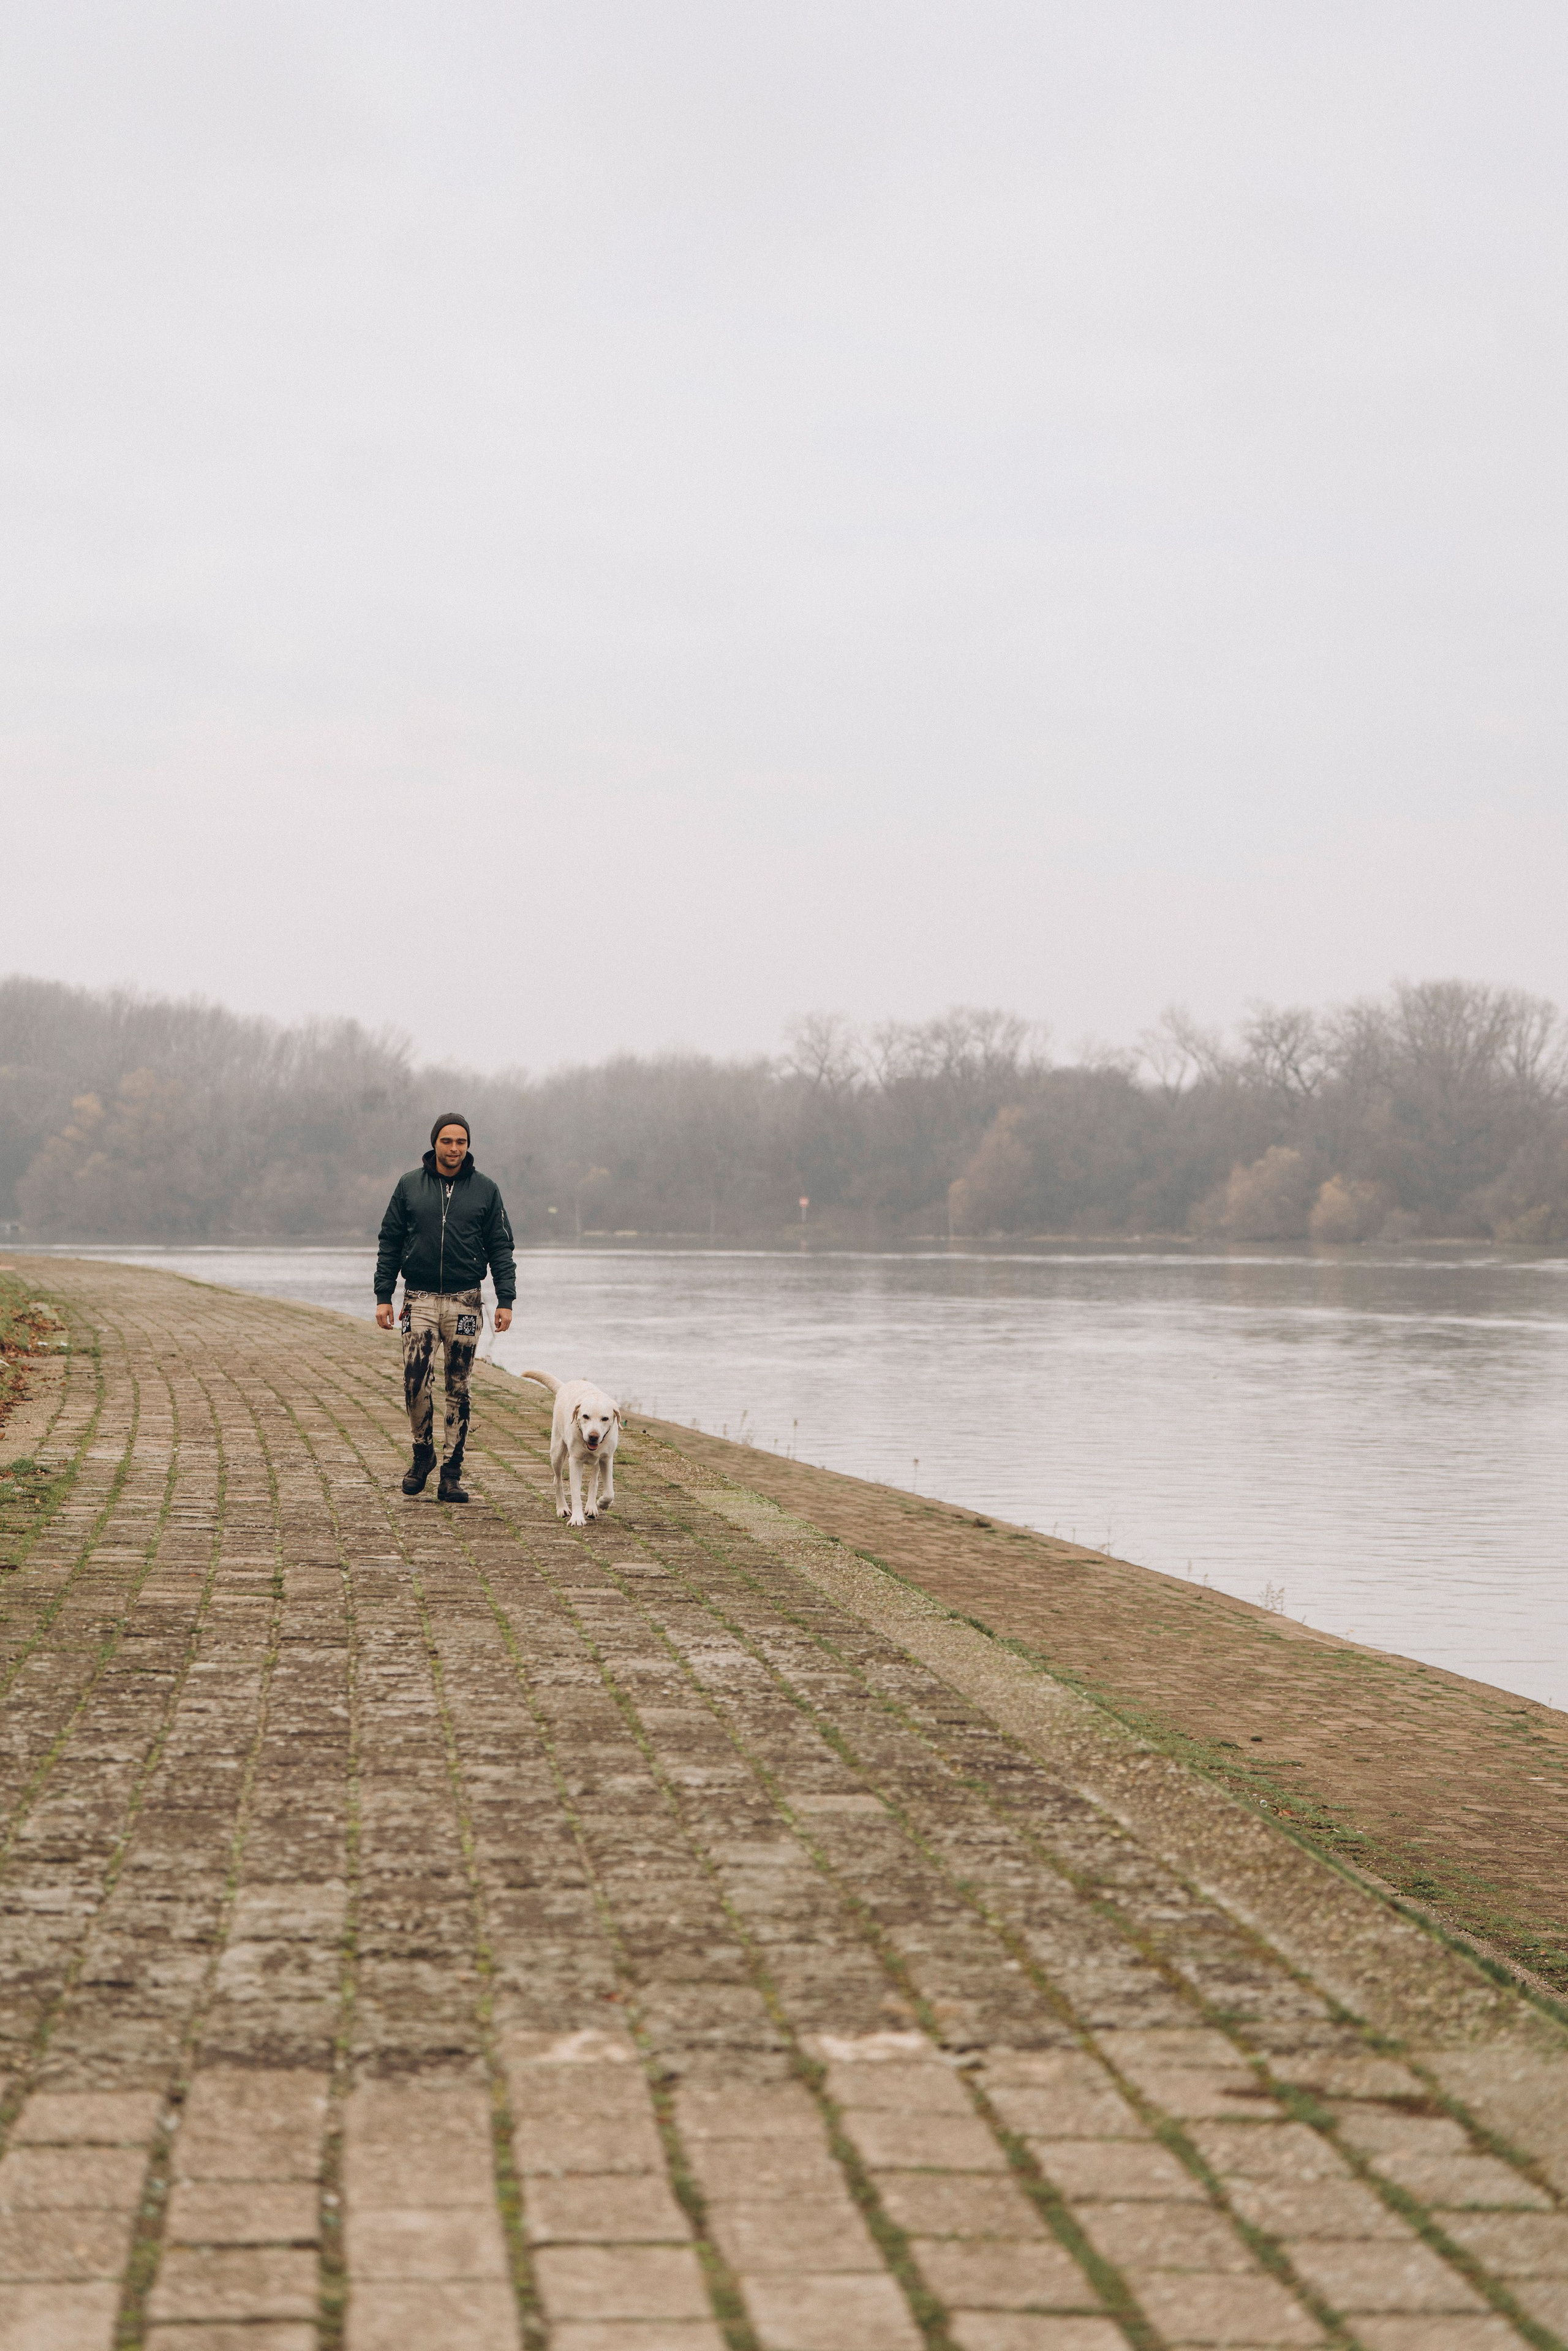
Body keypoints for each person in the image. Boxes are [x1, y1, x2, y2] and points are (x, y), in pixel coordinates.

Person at [374, 1114, 516, 1502]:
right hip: (418, 1298)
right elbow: (389, 1241)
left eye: (461, 1142)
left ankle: (452, 1472)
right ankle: (423, 1455)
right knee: (414, 1381)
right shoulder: (409, 1186)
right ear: (434, 1143)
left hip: (466, 1302)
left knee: (459, 1385)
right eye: (447, 1141)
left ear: (468, 1146)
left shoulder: (486, 1190)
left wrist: (505, 1300)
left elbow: (501, 1248)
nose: (454, 1148)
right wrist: (384, 1295)